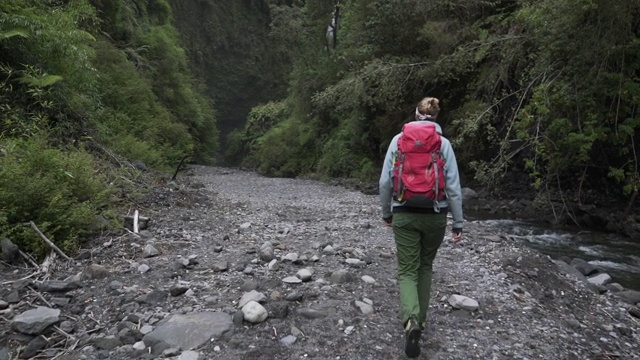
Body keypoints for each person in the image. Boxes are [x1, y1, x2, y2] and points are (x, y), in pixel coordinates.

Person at [379, 97, 464, 358]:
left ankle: (410, 321)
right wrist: (458, 222)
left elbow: (385, 182)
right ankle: (421, 322)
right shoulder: (444, 144)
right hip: (435, 215)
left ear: (415, 114)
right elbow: (453, 187)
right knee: (425, 267)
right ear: (436, 118)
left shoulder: (398, 140)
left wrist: (386, 212)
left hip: (404, 213)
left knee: (407, 270)